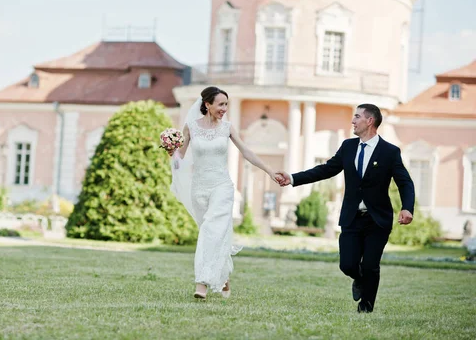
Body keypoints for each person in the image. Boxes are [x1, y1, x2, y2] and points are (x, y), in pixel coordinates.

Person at [275, 104, 415, 313]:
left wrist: (407, 207)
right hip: (352, 217)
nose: (353, 121)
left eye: (357, 117)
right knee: (347, 265)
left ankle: (366, 307)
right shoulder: (348, 147)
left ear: (370, 121)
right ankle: (359, 279)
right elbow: (325, 170)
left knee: (370, 265)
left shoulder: (389, 151)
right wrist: (293, 178)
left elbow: (405, 182)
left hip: (377, 219)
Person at [167, 86, 279, 300]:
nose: (224, 109)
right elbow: (180, 159)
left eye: (226, 104)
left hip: (221, 187)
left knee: (211, 229)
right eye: (220, 104)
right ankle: (224, 278)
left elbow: (246, 152)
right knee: (213, 234)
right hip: (199, 189)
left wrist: (269, 171)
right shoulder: (190, 127)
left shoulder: (227, 128)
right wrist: (172, 152)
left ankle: (201, 284)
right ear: (207, 105)